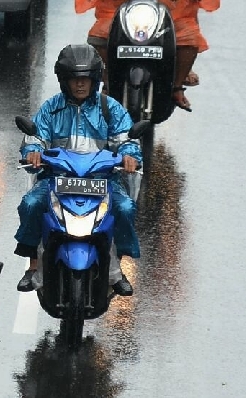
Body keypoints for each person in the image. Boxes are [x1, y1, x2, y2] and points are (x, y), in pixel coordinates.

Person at [15, 44, 141, 296]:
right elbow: (36, 137)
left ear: (94, 80)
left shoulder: (111, 108)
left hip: (103, 180)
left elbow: (127, 139)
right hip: (57, 179)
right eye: (74, 79)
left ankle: (118, 268)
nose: (80, 85)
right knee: (30, 204)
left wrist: (129, 156)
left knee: (125, 209)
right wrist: (33, 151)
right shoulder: (51, 108)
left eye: (85, 79)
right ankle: (33, 265)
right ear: (64, 81)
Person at [75, 0, 220, 111]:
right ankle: (108, 78)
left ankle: (176, 86)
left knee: (189, 40)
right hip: (122, 12)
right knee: (99, 37)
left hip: (171, 15)